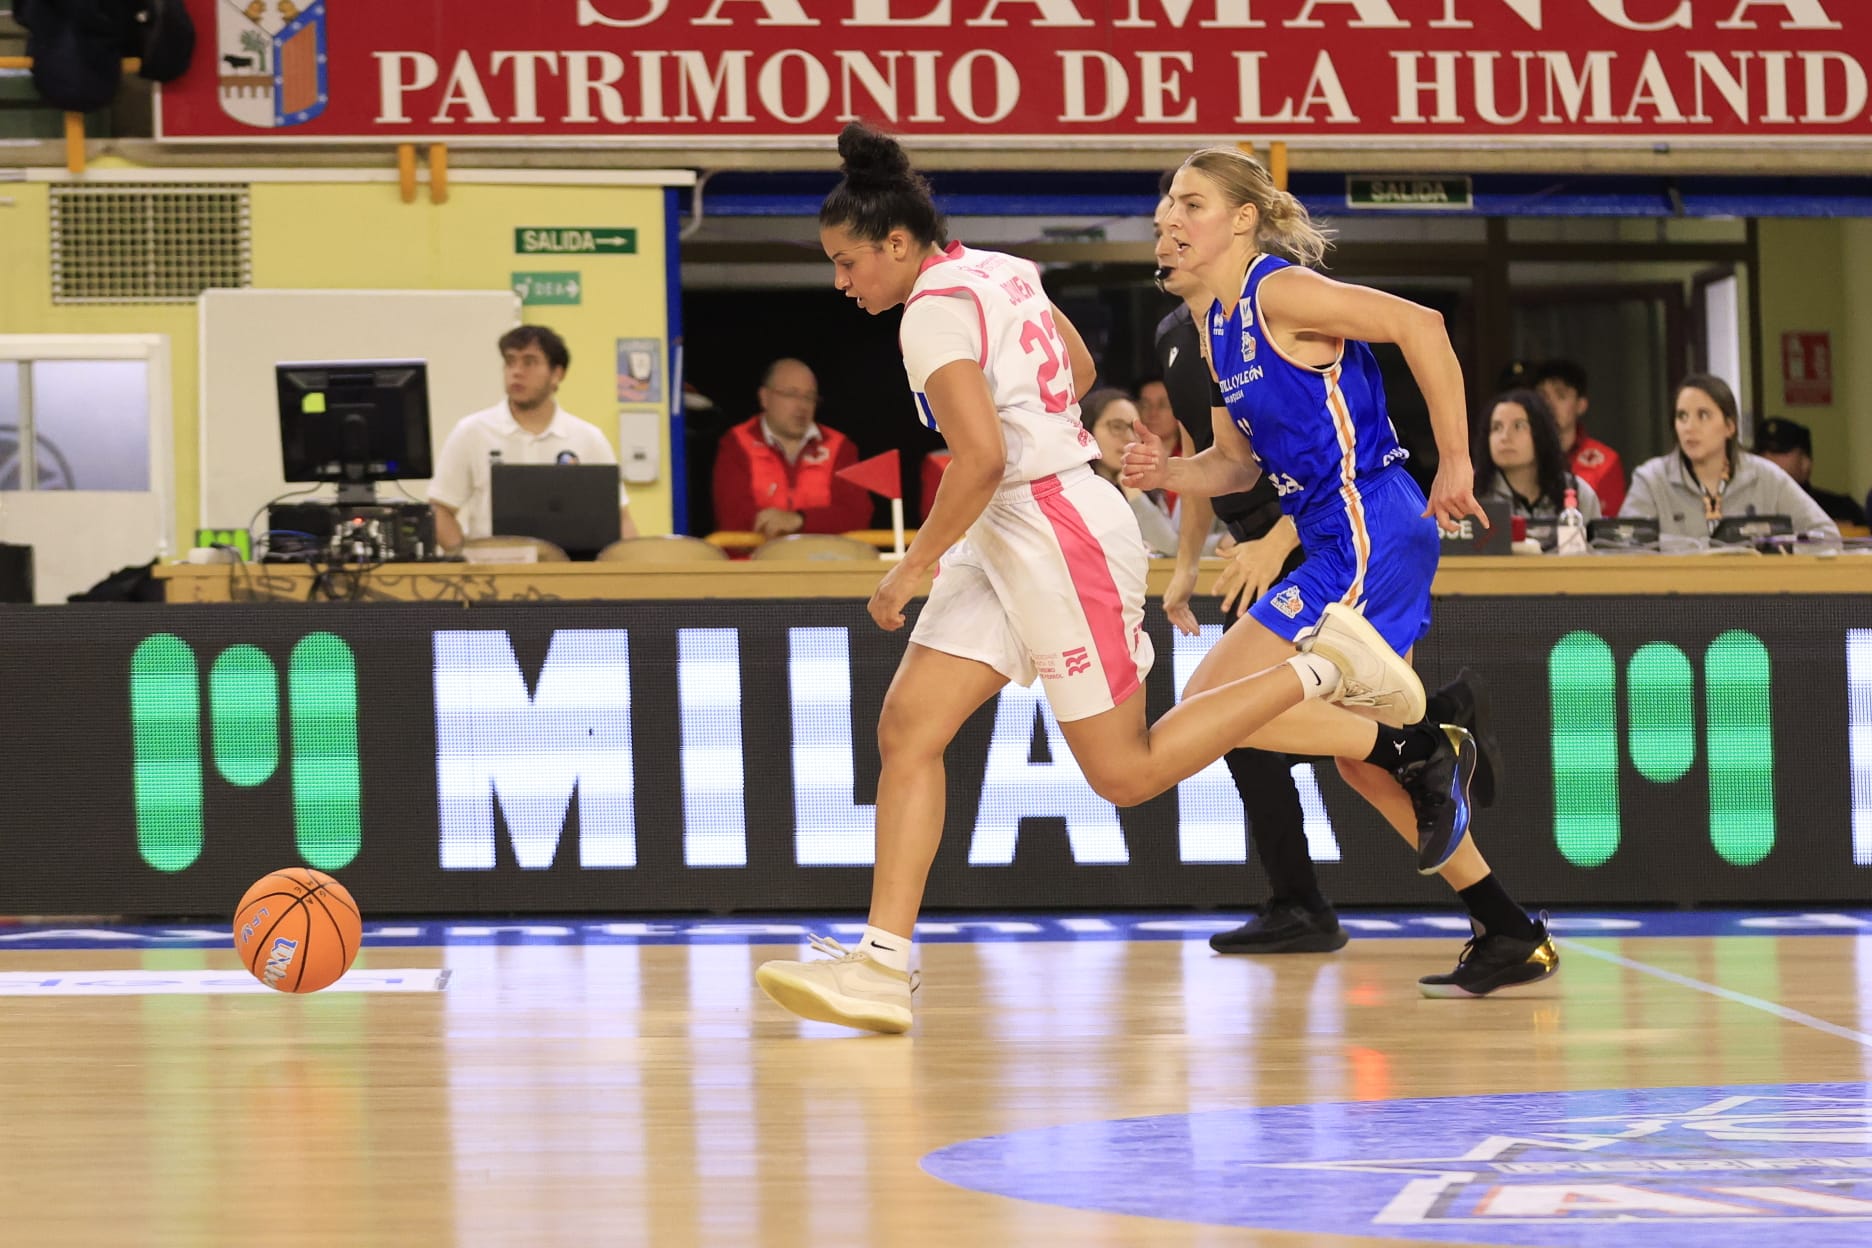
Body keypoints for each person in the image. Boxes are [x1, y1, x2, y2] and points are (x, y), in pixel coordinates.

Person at [754, 123, 1428, 1035]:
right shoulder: (996, 269)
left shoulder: (929, 312)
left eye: (847, 263)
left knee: (1126, 774)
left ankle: (1326, 671)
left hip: (1056, 526)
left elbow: (983, 455)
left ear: (898, 244)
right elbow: (1076, 368)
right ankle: (882, 964)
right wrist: (1031, 429)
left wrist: (913, 564)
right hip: (1015, 526)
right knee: (909, 726)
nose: (841, 283)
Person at [1134, 145, 1555, 998]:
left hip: (1370, 526)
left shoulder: (1276, 290)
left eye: (1190, 204)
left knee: (1221, 717)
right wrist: (1168, 474)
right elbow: (1237, 466)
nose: (1167, 221)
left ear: (1243, 220)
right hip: (1333, 538)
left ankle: (1426, 738)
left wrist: (1457, 462)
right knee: (1343, 757)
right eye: (1164, 209)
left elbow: (1422, 327)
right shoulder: (1216, 330)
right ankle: (1508, 928)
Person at [428, 326, 637, 551]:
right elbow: (440, 510)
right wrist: (467, 562)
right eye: (510, 361)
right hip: (495, 576)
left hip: (570, 572)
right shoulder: (472, 432)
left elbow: (620, 518)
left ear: (557, 374)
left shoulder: (588, 438)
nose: (516, 371)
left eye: (529, 362)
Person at [1622, 374, 1839, 541]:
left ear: (1729, 426)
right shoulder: (1651, 480)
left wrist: (1776, 551)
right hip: (1675, 596)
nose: (1690, 427)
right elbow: (1623, 550)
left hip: (1754, 595)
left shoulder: (1765, 476)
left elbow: (1826, 535)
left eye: (1703, 415)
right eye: (1682, 416)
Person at [710, 358, 875, 540]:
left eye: (809, 397)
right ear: (764, 397)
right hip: (755, 564)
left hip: (824, 563)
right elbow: (732, 519)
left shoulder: (840, 447)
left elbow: (857, 515)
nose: (802, 406)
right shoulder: (737, 443)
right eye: (791, 394)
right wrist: (777, 524)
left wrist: (799, 520)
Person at [1476, 389, 1603, 526]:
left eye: (1518, 426)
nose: (1505, 437)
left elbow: (1598, 545)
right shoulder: (1470, 495)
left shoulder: (1578, 493)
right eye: (1497, 427)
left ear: (1541, 434)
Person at [1080, 387, 1181, 556]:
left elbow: (1170, 547)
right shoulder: (1073, 491)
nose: (1129, 438)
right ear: (1088, 430)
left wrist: (1133, 490)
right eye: (1117, 427)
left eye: (1134, 428)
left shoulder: (1149, 489)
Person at [1531, 359, 1625, 516]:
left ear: (1581, 405)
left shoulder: (1605, 462)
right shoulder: (1523, 456)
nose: (1549, 404)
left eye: (1561, 396)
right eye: (1543, 396)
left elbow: (1609, 530)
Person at [1752, 416, 1867, 526]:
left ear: (1805, 461)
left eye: (1778, 452)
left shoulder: (1841, 510)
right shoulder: (1745, 507)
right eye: (1761, 452)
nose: (1766, 458)